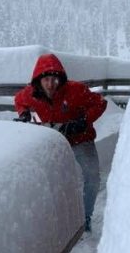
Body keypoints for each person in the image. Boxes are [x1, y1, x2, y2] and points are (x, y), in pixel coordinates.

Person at [14, 53, 107, 232]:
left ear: (60, 79)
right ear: (38, 80)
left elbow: (100, 103)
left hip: (81, 139)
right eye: (47, 80)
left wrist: (83, 121)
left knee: (92, 176)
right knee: (47, 179)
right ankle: (52, 219)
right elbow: (19, 101)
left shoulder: (76, 90)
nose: (51, 84)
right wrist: (24, 114)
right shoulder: (30, 94)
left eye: (54, 79)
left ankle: (85, 217)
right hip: (52, 141)